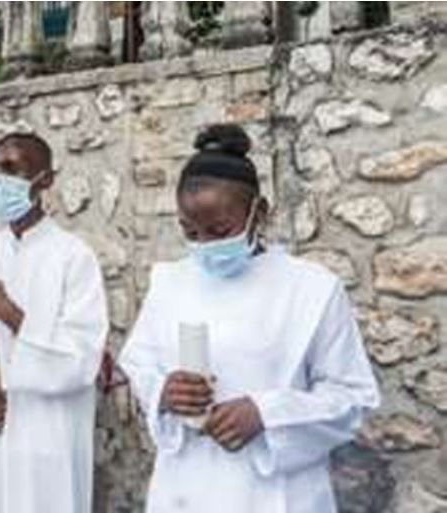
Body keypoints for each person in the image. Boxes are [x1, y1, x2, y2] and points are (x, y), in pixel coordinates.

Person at [118, 124, 379, 513]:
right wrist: (164, 393)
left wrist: (266, 413)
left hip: (276, 493)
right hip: (185, 489)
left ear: (260, 211)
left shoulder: (311, 289)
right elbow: (140, 365)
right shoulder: (169, 282)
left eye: (220, 230)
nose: (204, 245)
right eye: (191, 232)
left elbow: (352, 399)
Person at [0, 133, 109, 513]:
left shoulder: (73, 257)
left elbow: (83, 358)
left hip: (44, 437)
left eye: (12, 169)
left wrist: (9, 313)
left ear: (45, 178)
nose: (0, 180)